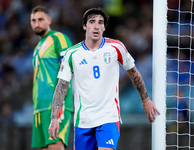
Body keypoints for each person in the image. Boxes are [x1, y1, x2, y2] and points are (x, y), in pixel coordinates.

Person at [49, 7, 160, 150]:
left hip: (108, 118)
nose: (96, 26)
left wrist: (145, 100)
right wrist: (54, 118)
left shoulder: (115, 47)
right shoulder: (72, 54)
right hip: (83, 121)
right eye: (92, 21)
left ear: (104, 27)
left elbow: (134, 73)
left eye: (100, 22)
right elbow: (61, 86)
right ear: (84, 25)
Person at [30, 6, 73, 150]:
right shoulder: (37, 47)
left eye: (40, 19)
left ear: (49, 20)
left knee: (55, 147)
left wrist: (59, 103)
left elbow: (68, 67)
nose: (37, 23)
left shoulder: (58, 38)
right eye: (33, 20)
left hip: (54, 106)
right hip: (39, 107)